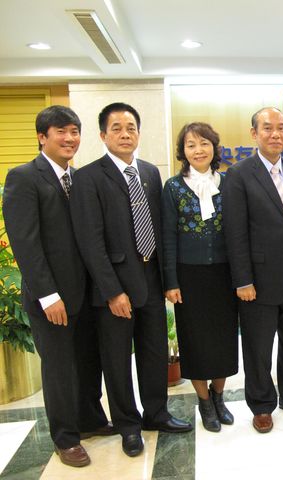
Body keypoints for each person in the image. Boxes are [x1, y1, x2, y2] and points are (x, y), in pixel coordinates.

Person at [71, 102, 192, 458]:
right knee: (117, 359)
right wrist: (112, 291)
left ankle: (156, 413)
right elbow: (90, 242)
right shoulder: (89, 177)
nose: (125, 134)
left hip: (151, 281)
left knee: (154, 354)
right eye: (117, 128)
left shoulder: (150, 173)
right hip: (114, 290)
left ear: (139, 133)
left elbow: (159, 229)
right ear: (103, 135)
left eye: (131, 128)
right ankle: (127, 424)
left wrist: (167, 280)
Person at [3, 106, 114, 468]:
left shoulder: (79, 177)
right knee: (59, 368)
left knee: (86, 362)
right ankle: (66, 438)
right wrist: (48, 294)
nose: (70, 139)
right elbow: (25, 243)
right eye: (61, 132)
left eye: (75, 132)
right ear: (42, 137)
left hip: (85, 293)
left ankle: (90, 420)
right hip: (52, 298)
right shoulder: (24, 177)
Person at [223, 107, 283, 434]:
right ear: (254, 133)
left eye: (281, 128)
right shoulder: (238, 174)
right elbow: (234, 232)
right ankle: (262, 405)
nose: (276, 134)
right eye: (268, 128)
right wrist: (243, 279)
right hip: (258, 282)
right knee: (258, 348)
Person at [162, 122, 238, 432]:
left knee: (223, 337)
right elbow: (167, 236)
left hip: (224, 274)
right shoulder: (173, 187)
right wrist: (170, 280)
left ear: (214, 147)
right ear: (183, 151)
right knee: (194, 339)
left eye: (204, 143)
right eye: (191, 145)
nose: (198, 150)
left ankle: (219, 396)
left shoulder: (229, 182)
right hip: (188, 276)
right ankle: (204, 401)